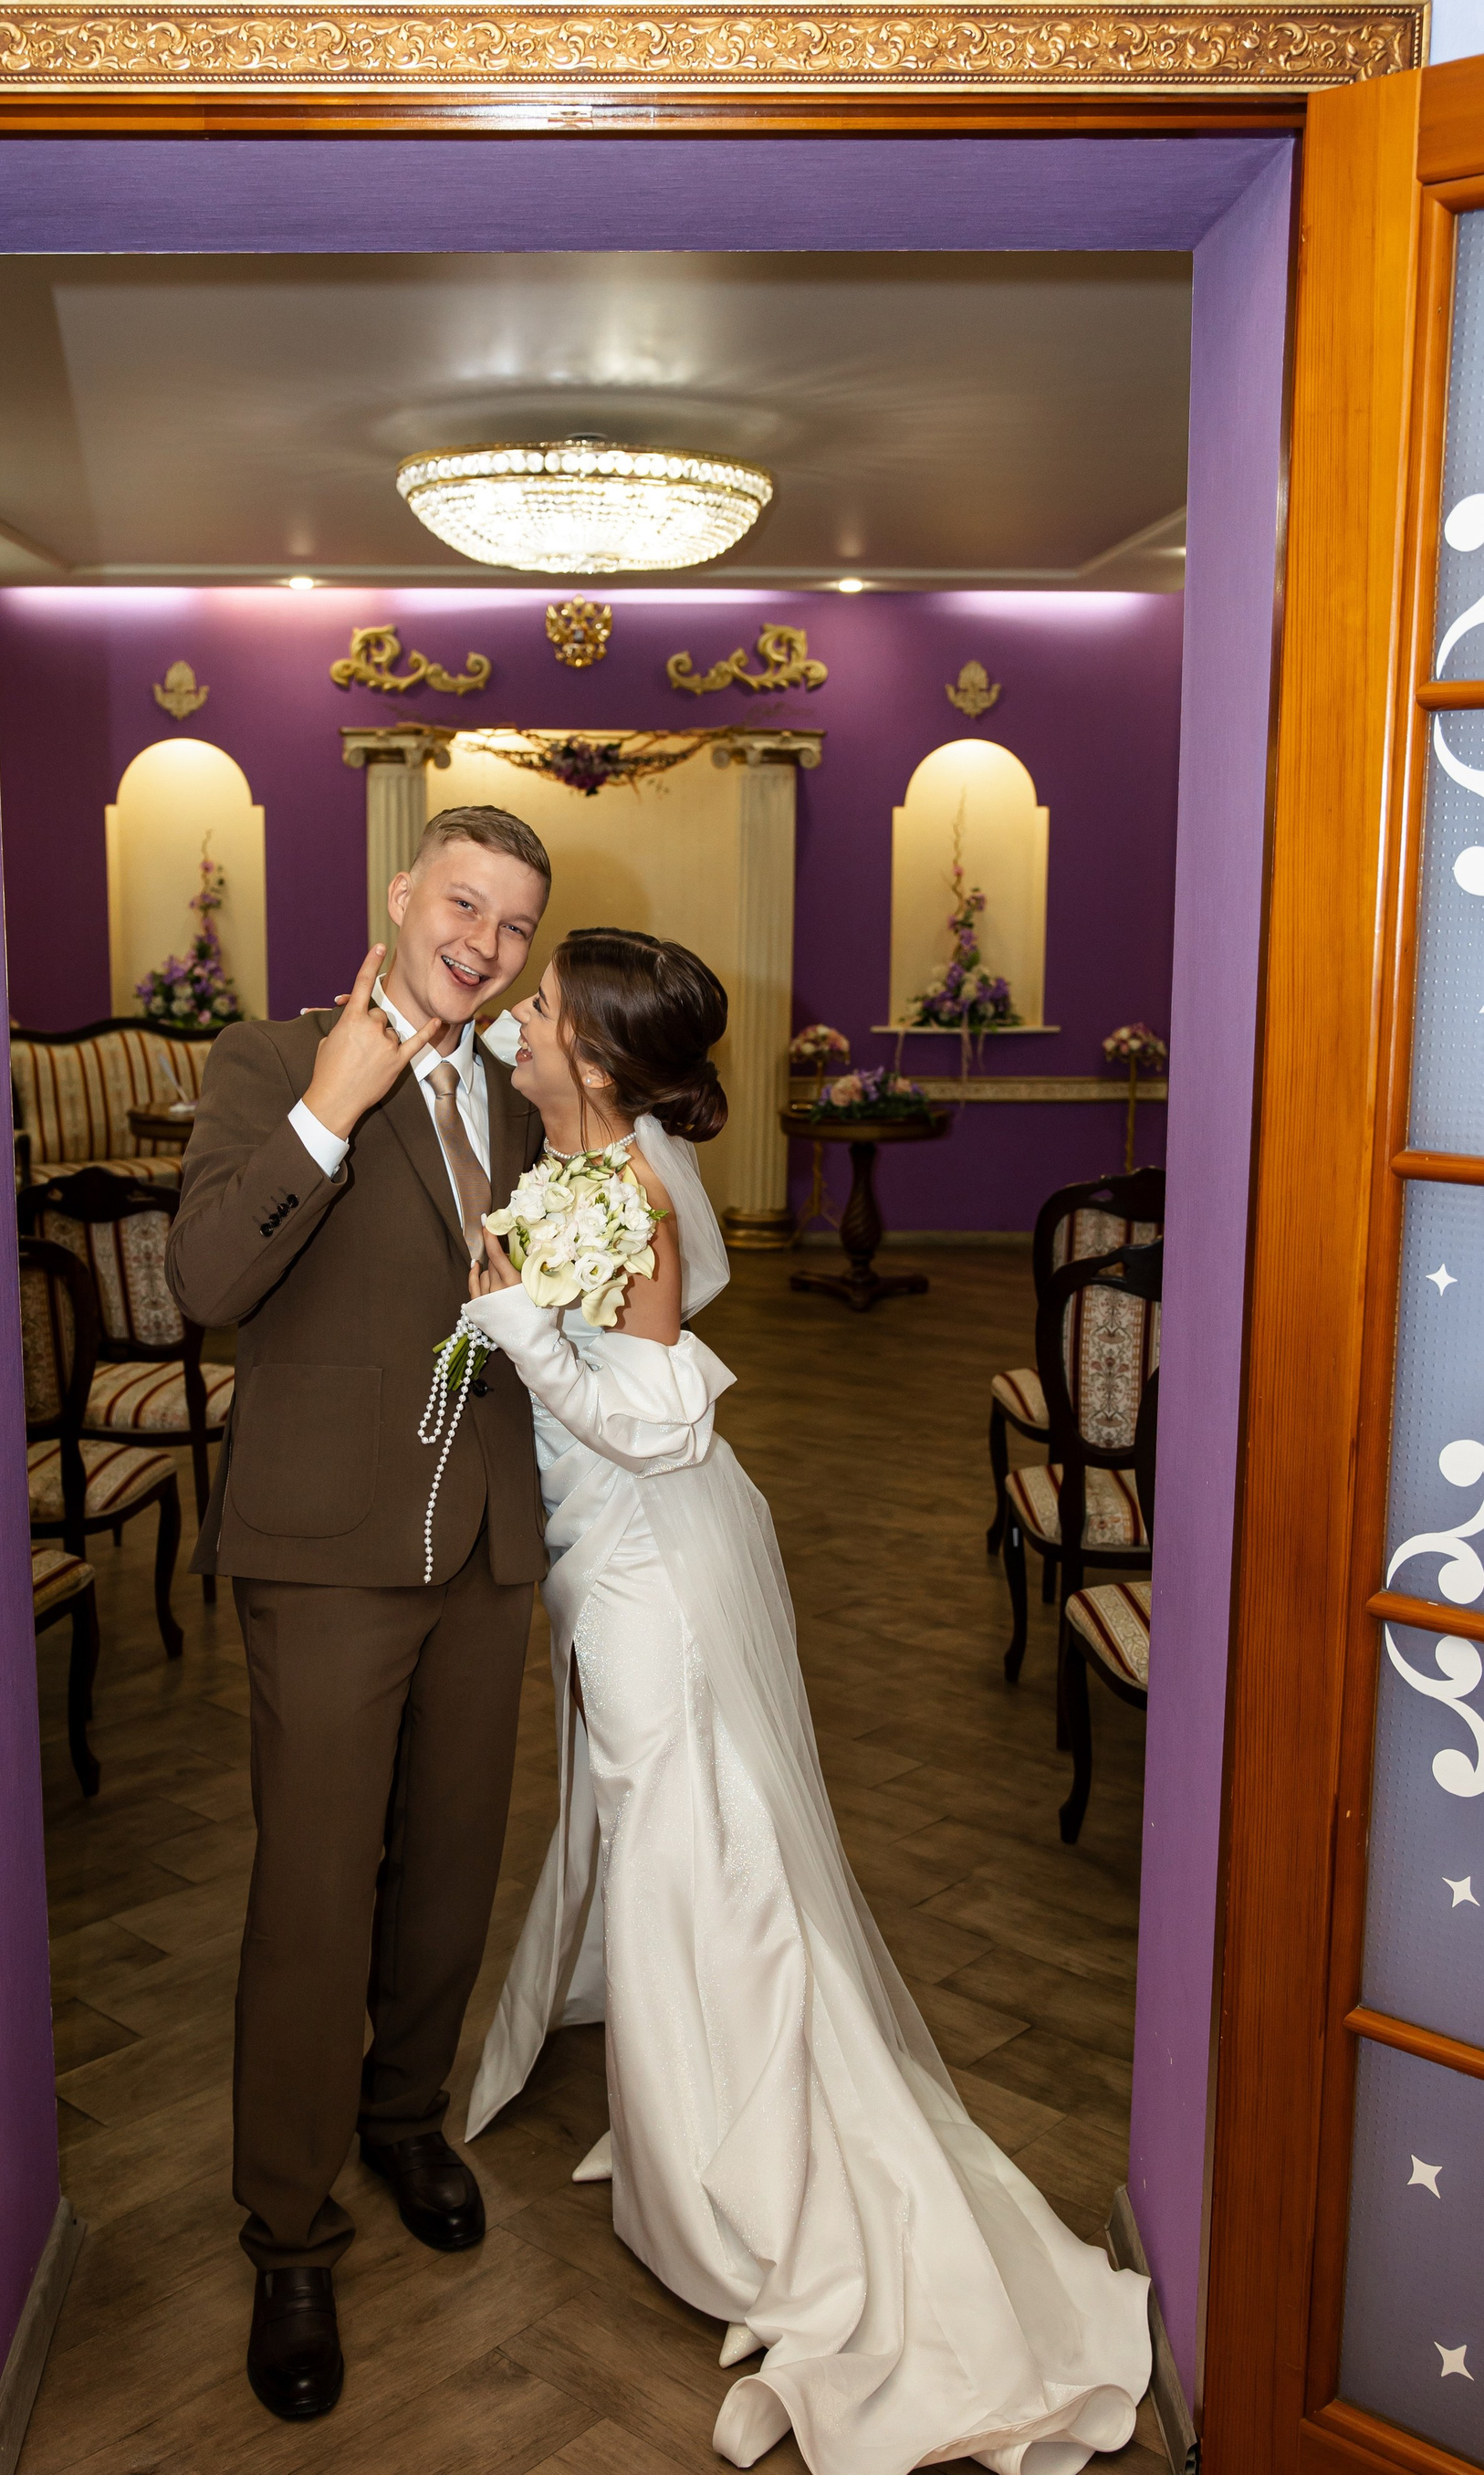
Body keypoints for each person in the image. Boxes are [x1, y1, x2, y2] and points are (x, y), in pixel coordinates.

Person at [458, 928, 1152, 2474]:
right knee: (671, 1831)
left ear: (597, 1060)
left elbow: (657, 1417)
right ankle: (686, 2122)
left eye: (543, 1006)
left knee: (688, 1846)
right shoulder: (594, 1149)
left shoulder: (630, 1193)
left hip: (648, 1565)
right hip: (607, 1550)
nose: (519, 1017)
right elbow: (650, 1254)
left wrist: (521, 1334)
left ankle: (742, 2181)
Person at [163, 804, 551, 2423]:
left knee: (451, 1870)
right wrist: (333, 1105)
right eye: (463, 902)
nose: (484, 942)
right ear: (401, 893)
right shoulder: (267, 1059)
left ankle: (405, 2118)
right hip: (324, 1551)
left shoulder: (522, 1094)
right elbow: (205, 1281)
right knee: (317, 1894)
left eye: (514, 924)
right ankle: (290, 2225)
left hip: (485, 1544)